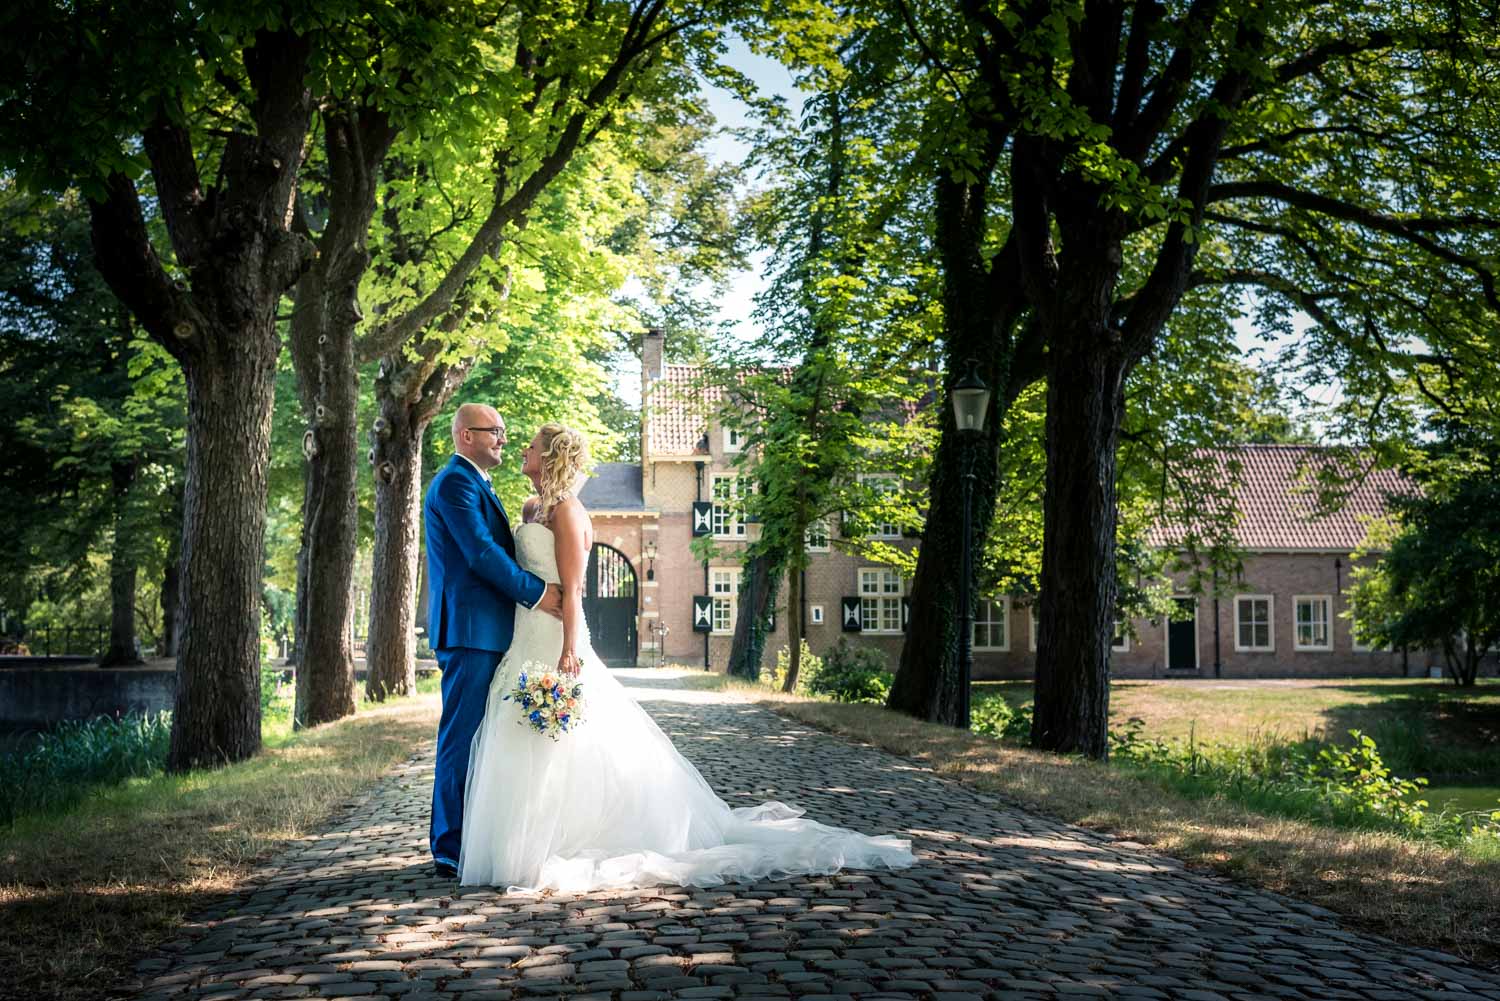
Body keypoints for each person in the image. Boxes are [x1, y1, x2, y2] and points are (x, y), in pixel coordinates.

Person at [459, 422, 916, 891]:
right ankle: (517, 844)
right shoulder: (531, 507)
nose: (522, 451)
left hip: (555, 639)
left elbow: (574, 591)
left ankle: (560, 841)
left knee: (566, 742)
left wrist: (571, 651)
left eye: (531, 447)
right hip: (524, 636)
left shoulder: (570, 513)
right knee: (518, 737)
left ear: (550, 456)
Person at [423, 403, 563, 879]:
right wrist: (539, 593)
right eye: (494, 432)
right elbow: (481, 554)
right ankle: (448, 847)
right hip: (468, 630)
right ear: (465, 436)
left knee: (482, 736)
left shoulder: (477, 483)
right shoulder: (455, 483)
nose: (503, 439)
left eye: (505, 431)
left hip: (489, 630)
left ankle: (473, 838)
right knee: (462, 736)